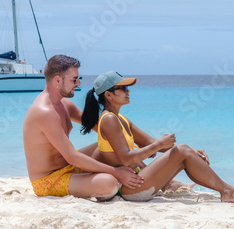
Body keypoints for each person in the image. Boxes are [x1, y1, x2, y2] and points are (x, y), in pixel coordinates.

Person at [81, 70, 234, 203]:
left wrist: (190, 150)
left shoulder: (121, 119)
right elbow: (126, 159)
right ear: (109, 95)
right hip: (128, 188)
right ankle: (228, 192)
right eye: (123, 88)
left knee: (184, 153)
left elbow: (152, 142)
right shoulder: (109, 120)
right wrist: (160, 145)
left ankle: (228, 189)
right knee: (181, 151)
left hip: (135, 182)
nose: (128, 91)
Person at [23, 55, 144, 200]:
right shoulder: (45, 112)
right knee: (109, 183)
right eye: (74, 79)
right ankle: (126, 179)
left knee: (113, 145)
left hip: (68, 167)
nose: (78, 83)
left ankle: (146, 174)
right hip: (48, 180)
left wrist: (133, 149)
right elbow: (72, 156)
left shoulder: (65, 104)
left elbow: (101, 128)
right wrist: (116, 172)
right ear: (57, 80)